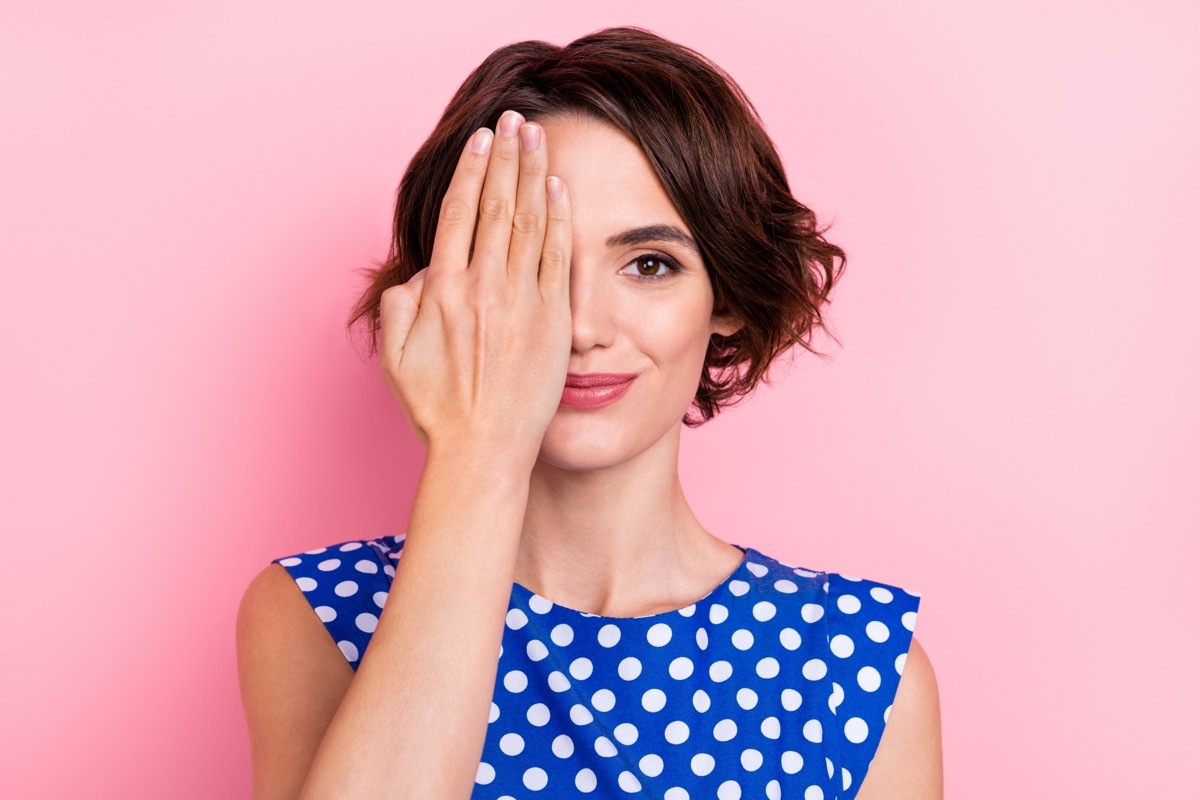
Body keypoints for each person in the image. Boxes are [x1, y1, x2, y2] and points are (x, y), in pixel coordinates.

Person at [236, 25, 942, 800]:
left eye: (649, 264)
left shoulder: (859, 668)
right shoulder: (320, 616)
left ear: (728, 298)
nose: (578, 326)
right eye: (529, 265)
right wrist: (478, 448)